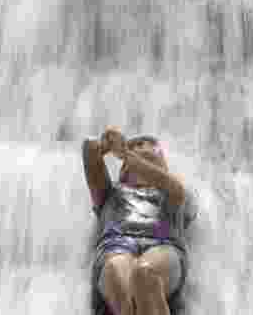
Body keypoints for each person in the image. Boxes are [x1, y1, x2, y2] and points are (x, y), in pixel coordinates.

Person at [81, 127, 197, 315]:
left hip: (162, 243)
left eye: (151, 146)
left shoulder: (172, 190)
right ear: (123, 170)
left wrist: (126, 154)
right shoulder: (110, 193)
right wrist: (106, 145)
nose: (143, 147)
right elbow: (89, 148)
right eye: (136, 145)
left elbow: (174, 189)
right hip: (116, 244)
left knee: (145, 274)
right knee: (116, 274)